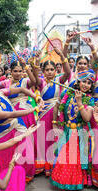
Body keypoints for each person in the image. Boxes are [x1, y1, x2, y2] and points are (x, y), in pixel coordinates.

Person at [0, 79, 44, 183]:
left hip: (18, 125)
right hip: (4, 131)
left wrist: (37, 97)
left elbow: (22, 89)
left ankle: (25, 174)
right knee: (5, 157)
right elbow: (10, 114)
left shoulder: (0, 93)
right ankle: (10, 177)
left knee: (25, 150)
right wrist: (34, 109)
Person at [50, 70, 95, 190]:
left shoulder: (89, 99)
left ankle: (74, 182)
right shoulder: (67, 94)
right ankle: (62, 181)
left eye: (89, 83)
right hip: (66, 130)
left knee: (74, 160)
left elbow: (87, 118)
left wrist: (80, 102)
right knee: (63, 157)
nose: (86, 85)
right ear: (77, 82)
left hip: (79, 133)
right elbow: (57, 107)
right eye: (83, 82)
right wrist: (55, 124)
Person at [31, 47, 71, 176]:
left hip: (56, 115)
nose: (49, 72)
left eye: (52, 69)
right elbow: (34, 77)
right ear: (43, 71)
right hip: (43, 114)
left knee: (55, 138)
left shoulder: (59, 81)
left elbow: (68, 72)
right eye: (47, 70)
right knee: (43, 138)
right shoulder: (40, 82)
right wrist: (36, 61)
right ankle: (42, 165)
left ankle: (54, 165)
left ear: (55, 70)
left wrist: (61, 55)